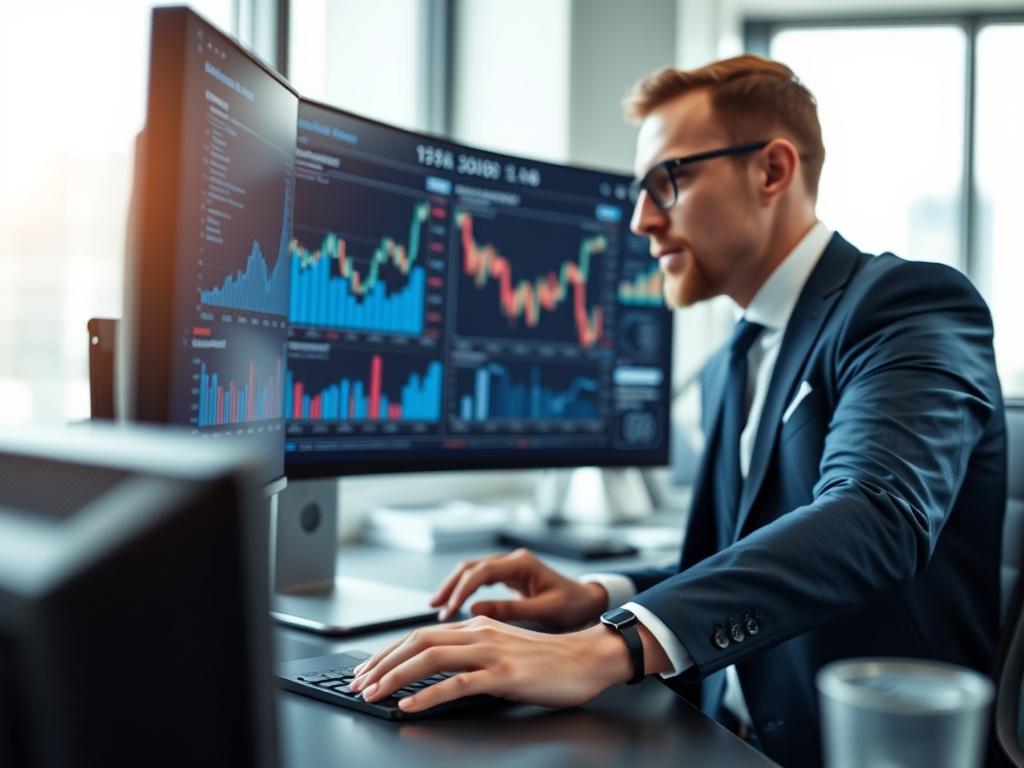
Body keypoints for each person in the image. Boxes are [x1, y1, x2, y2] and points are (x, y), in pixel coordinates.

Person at [349, 55, 1007, 767]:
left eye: (670, 179)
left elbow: (876, 513)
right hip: (728, 738)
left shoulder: (907, 305)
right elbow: (737, 552)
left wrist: (612, 644)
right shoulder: (743, 351)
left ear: (772, 172)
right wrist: (602, 596)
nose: (639, 220)